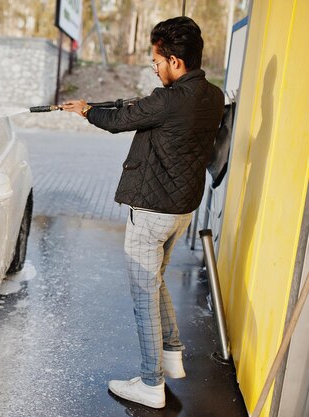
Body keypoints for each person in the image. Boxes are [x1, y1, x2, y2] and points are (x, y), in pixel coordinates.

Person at [61, 16, 224, 409]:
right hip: (181, 211)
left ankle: (151, 383)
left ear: (176, 63)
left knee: (143, 295)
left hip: (151, 213)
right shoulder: (213, 96)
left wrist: (85, 110)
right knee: (155, 282)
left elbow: (120, 120)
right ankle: (171, 354)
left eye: (157, 61)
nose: (155, 68)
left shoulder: (167, 100)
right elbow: (149, 114)